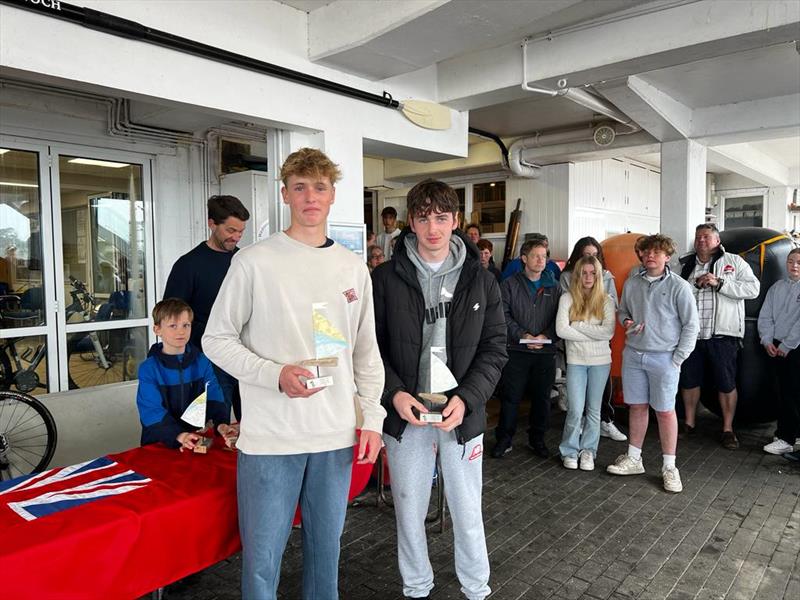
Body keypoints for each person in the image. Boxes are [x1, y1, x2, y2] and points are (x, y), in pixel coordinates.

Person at [202, 148, 386, 600]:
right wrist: (273, 374)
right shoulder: (254, 262)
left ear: (333, 195)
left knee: (327, 557)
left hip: (334, 436)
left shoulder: (351, 267)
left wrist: (373, 420)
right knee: (263, 562)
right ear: (285, 194)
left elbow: (364, 353)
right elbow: (216, 340)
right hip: (271, 439)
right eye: (300, 187)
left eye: (319, 187)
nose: (310, 197)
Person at [372, 179, 507, 600]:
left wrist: (467, 400)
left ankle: (476, 588)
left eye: (442, 217)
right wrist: (394, 393)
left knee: (468, 509)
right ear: (410, 221)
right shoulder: (383, 280)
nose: (433, 227)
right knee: (409, 509)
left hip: (462, 415)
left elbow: (495, 349)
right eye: (424, 217)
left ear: (455, 221)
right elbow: (369, 348)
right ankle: (416, 587)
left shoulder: (482, 282)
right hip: (406, 413)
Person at [608, 234, 698, 493]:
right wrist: (626, 322)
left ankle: (670, 467)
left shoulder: (680, 286)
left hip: (665, 358)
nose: (651, 256)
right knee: (637, 407)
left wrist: (677, 359)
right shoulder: (633, 283)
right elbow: (623, 311)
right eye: (647, 252)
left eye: (657, 253)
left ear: (667, 257)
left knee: (665, 411)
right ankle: (634, 459)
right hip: (634, 355)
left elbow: (691, 325)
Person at [163, 195, 249, 421]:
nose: (236, 237)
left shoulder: (245, 261)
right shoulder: (188, 265)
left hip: (246, 355)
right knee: (213, 423)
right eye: (231, 230)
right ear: (212, 224)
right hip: (208, 359)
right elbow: (171, 315)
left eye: (241, 231)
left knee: (251, 422)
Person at [678, 223, 759, 449]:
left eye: (706, 236)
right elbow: (677, 294)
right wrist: (697, 283)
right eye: (698, 237)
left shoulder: (734, 262)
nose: (701, 240)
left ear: (717, 240)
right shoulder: (685, 264)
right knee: (689, 380)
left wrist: (719, 282)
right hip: (692, 335)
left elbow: (753, 289)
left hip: (723, 334)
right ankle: (690, 424)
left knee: (725, 382)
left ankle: (727, 429)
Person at [493, 238, 562, 459]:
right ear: (524, 258)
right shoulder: (509, 284)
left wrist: (546, 336)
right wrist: (522, 335)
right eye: (535, 256)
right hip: (516, 351)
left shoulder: (555, 286)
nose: (541, 260)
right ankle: (504, 439)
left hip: (545, 352)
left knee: (542, 399)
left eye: (544, 256)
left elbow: (561, 317)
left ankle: (537, 440)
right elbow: (502, 314)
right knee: (511, 398)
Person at [136, 298, 232, 450]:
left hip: (194, 438)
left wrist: (221, 424)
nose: (181, 331)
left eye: (186, 325)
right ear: (157, 329)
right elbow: (151, 411)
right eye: (173, 326)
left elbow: (214, 396)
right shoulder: (148, 368)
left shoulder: (202, 361)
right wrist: (179, 435)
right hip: (159, 442)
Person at [560, 236, 626, 442]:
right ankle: (576, 429)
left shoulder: (607, 277)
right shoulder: (567, 278)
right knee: (576, 401)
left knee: (599, 396)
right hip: (576, 352)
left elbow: (610, 317)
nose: (590, 259)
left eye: (595, 256)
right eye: (586, 255)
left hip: (599, 352)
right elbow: (566, 320)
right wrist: (590, 328)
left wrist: (579, 325)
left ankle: (604, 423)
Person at [556, 255, 615, 470]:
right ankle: (569, 451)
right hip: (576, 361)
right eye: (584, 273)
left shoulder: (606, 300)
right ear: (578, 274)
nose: (588, 277)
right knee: (575, 409)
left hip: (601, 362)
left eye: (593, 273)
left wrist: (578, 326)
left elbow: (608, 332)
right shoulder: (567, 298)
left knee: (593, 410)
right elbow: (561, 330)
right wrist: (593, 333)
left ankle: (589, 451)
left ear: (598, 276)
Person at [758, 248, 800, 458]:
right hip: (776, 346)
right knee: (783, 392)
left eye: (799, 262)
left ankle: (787, 439)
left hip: (794, 348)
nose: (794, 266)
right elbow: (766, 316)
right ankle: (792, 432)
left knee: (793, 394)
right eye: (790, 261)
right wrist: (767, 340)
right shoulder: (777, 287)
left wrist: (787, 345)